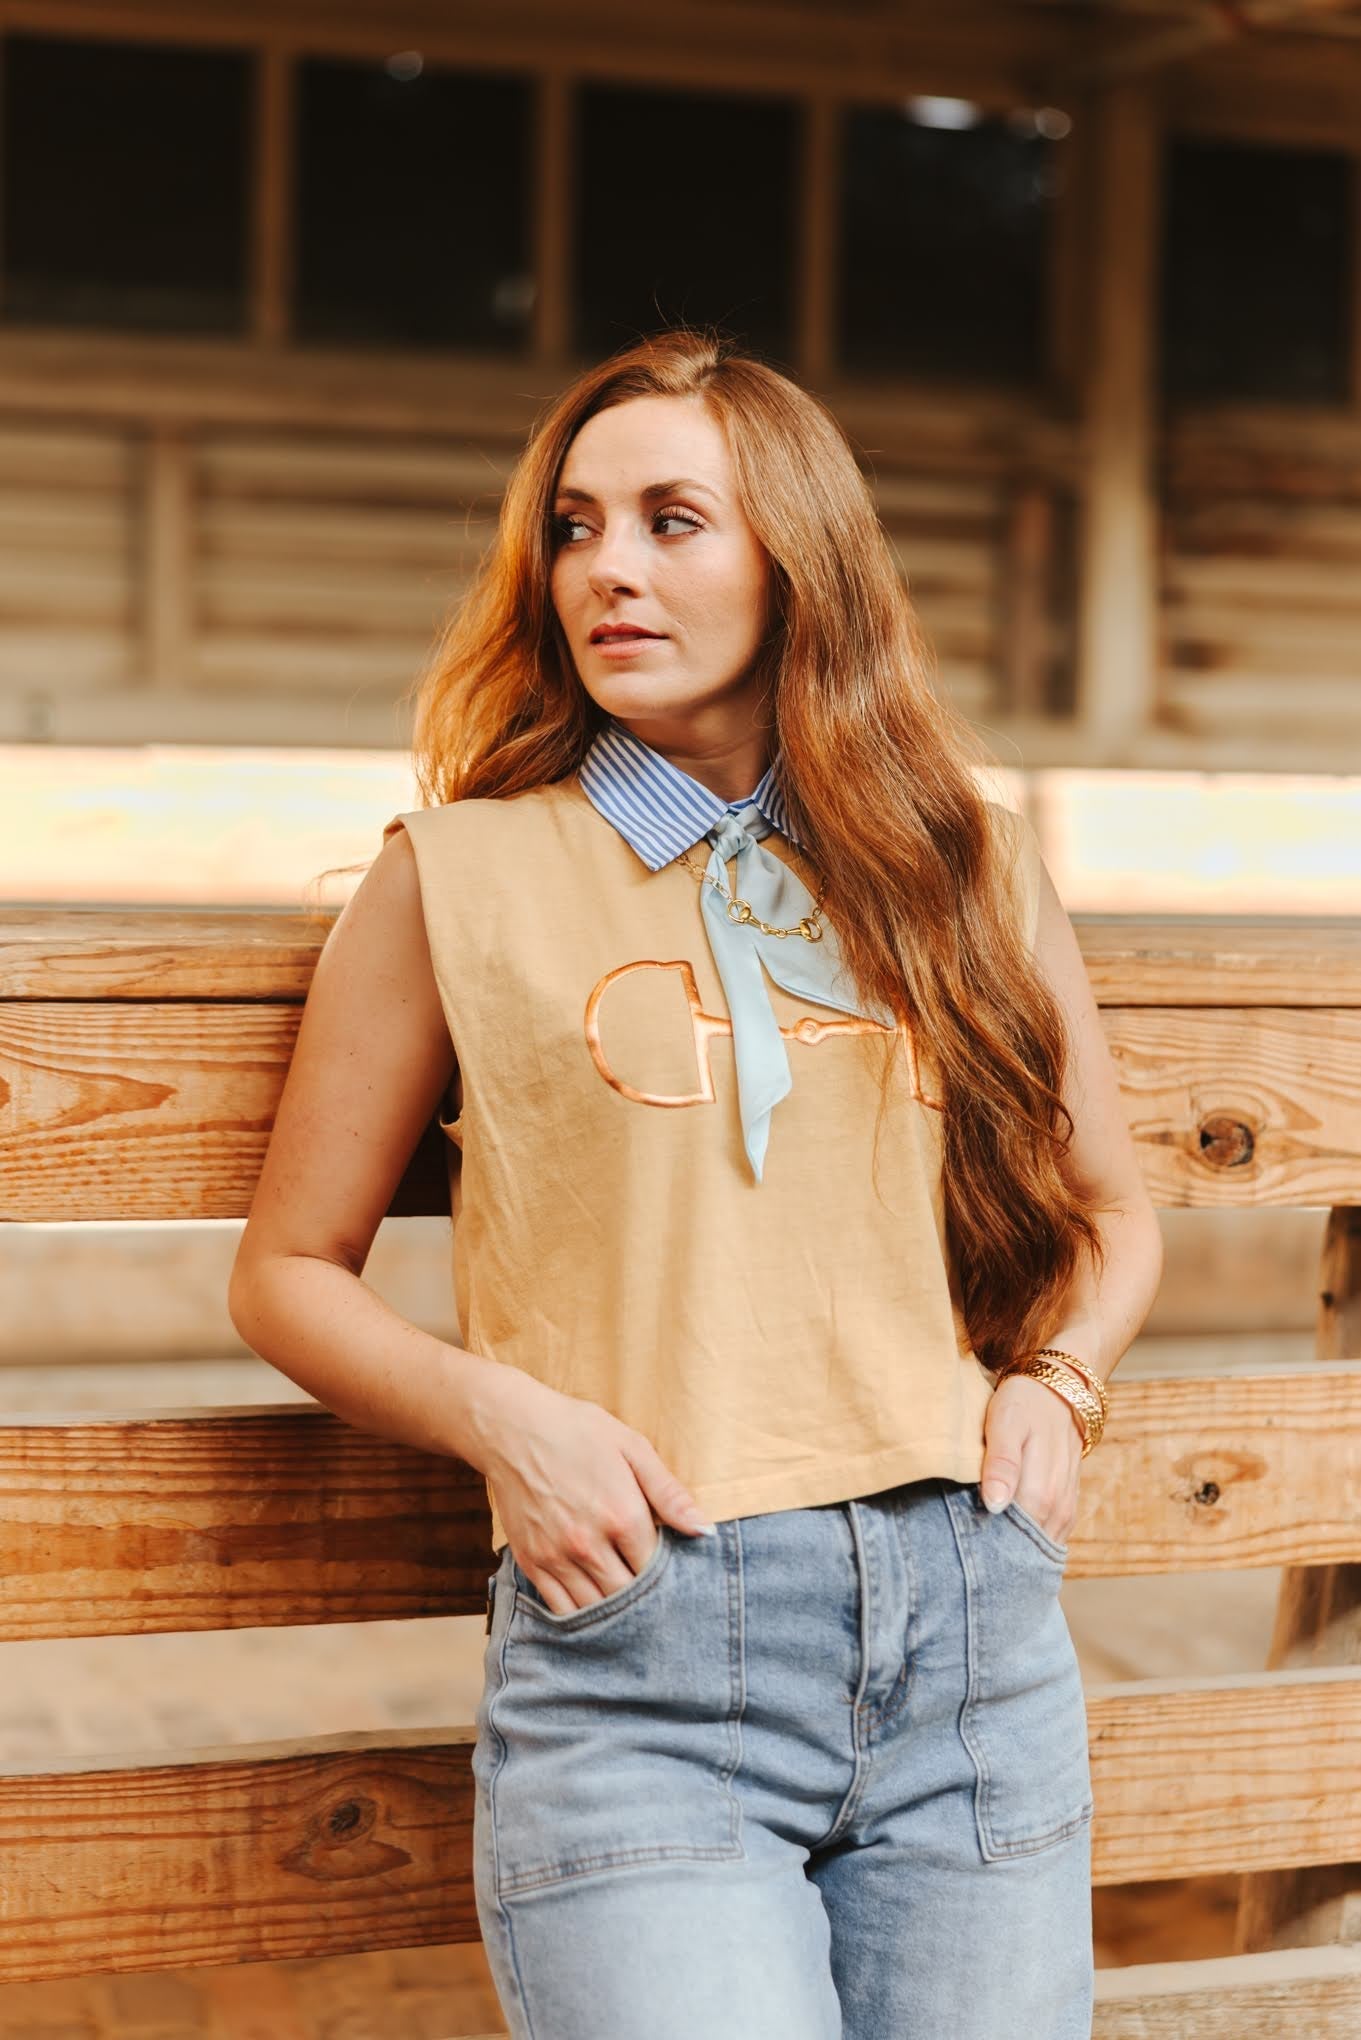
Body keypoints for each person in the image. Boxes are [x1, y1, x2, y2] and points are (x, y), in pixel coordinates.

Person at [228, 327, 1163, 2040]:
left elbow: (1110, 1210)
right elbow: (288, 1269)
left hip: (970, 1638)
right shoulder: (457, 872)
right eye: (574, 528)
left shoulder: (959, 865)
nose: (606, 572)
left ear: (795, 559)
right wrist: (511, 1427)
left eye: (671, 521)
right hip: (646, 1647)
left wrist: (1062, 1383)